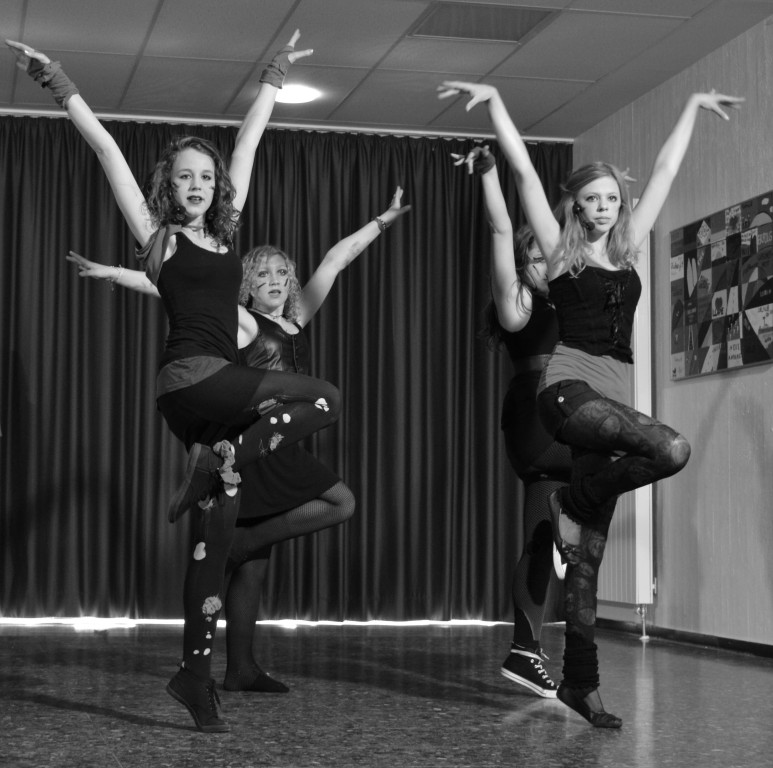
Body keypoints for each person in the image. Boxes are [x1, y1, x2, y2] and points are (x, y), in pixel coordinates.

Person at [6, 34, 346, 734]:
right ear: (170, 185)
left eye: (206, 178)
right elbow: (106, 149)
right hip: (192, 380)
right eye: (185, 177)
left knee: (213, 543)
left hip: (216, 396)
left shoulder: (226, 236)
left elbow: (248, 142)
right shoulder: (158, 236)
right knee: (323, 398)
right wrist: (57, 81)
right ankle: (221, 460)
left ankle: (194, 675)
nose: (197, 185)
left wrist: (275, 73)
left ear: (217, 187)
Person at [439, 81, 742, 727]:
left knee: (584, 563)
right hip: (565, 390)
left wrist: (692, 107)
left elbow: (664, 170)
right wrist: (494, 100)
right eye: (591, 200)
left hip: (612, 394)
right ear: (574, 206)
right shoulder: (558, 252)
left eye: (610, 199)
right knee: (671, 447)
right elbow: (523, 171)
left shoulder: (628, 249)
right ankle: (570, 504)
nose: (602, 208)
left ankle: (582, 683)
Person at [66, 188, 411, 694]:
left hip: (278, 442)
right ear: (246, 284)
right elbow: (167, 286)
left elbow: (337, 259)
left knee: (255, 566)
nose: (275, 280)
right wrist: (113, 273)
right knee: (341, 502)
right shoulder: (241, 319)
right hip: (251, 444)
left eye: (281, 273)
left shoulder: (297, 319)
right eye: (262, 274)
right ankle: (239, 556)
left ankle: (241, 668)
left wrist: (383, 219)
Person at [451, 145, 571, 699]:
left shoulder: (570, 301)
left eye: (553, 255)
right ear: (524, 264)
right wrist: (489, 173)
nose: (547, 263)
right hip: (538, 421)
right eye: (537, 256)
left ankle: (525, 651)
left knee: (539, 536)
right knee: (616, 457)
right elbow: (501, 229)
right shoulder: (517, 301)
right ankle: (575, 529)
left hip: (566, 416)